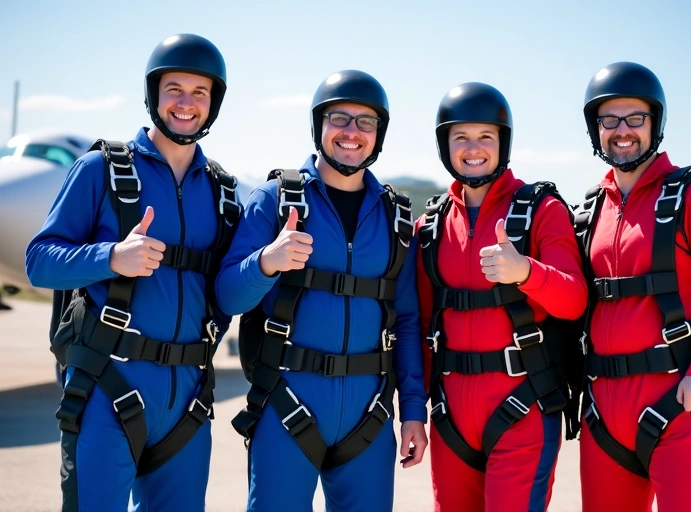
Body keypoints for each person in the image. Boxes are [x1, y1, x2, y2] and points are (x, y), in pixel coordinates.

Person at [26, 34, 238, 511]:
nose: (186, 103)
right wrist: (109, 257)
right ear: (153, 95)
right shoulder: (100, 170)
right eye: (174, 88)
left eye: (199, 92)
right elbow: (39, 261)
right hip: (106, 386)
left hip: (188, 401)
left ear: (213, 103)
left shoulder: (223, 194)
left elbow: (224, 291)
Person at [216, 69, 428, 512]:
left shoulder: (396, 220)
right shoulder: (273, 201)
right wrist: (266, 263)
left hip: (368, 418)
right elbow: (228, 297)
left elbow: (407, 322)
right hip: (286, 408)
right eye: (339, 118)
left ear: (378, 134)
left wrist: (412, 411)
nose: (351, 132)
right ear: (319, 126)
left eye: (365, 122)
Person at [577, 61, 691, 512]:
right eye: (609, 120)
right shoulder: (590, 210)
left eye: (635, 118)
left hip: (679, 404)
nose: (622, 131)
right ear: (595, 129)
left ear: (654, 125)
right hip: (602, 419)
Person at [415, 82, 588, 511]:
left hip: (523, 412)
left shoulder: (541, 209)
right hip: (450, 420)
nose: (474, 148)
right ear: (445, 145)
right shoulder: (430, 227)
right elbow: (418, 325)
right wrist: (414, 411)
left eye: (485, 137)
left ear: (502, 143)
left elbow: (574, 300)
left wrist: (526, 272)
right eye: (461, 137)